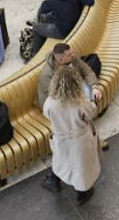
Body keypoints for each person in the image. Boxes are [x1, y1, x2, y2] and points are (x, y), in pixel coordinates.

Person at [41, 65, 100, 205]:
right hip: (80, 140)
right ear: (75, 82)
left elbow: (47, 115)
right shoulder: (80, 102)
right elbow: (91, 113)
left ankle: (54, 180)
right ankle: (82, 193)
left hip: (60, 139)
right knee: (81, 166)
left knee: (61, 160)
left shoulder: (50, 103)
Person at [31, 0, 95, 55]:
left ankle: (33, 54)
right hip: (75, 23)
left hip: (63, 31)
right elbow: (90, 1)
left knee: (35, 28)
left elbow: (43, 10)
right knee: (45, 19)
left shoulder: (54, 0)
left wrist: (46, 1)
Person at [37, 42, 102, 108]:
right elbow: (54, 96)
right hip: (60, 97)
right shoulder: (48, 74)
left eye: (71, 52)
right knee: (85, 100)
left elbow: (85, 69)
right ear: (60, 60)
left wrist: (94, 87)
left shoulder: (71, 57)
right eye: (69, 55)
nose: (73, 55)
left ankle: (93, 106)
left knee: (91, 93)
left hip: (75, 83)